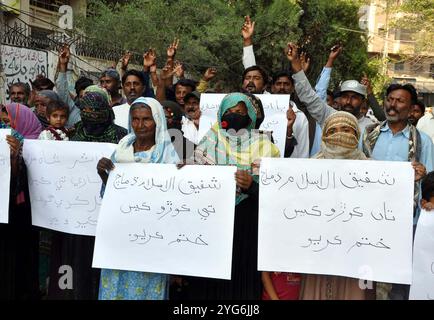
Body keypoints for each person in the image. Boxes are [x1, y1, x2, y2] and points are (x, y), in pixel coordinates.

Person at [186, 93, 280, 300]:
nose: (234, 115)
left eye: (240, 112)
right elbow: (193, 184)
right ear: (221, 114)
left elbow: (276, 194)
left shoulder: (265, 147)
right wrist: (186, 171)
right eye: (229, 111)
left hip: (245, 226)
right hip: (211, 224)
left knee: (240, 282)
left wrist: (252, 187)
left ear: (250, 117)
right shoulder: (209, 140)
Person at [95, 97, 179, 300]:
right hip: (121, 235)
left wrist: (182, 175)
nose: (140, 125)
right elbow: (110, 197)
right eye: (135, 119)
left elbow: (176, 201)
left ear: (158, 121)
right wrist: (104, 175)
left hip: (153, 237)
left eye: (147, 119)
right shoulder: (121, 149)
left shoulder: (169, 155)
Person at [47, 90, 127, 300]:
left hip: (107, 215)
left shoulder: (121, 136)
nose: (91, 114)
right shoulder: (74, 133)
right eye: (87, 110)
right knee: (76, 261)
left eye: (96, 110)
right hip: (76, 215)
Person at [300, 111, 372, 300]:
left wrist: (409, 178)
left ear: (356, 134)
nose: (339, 134)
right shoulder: (309, 168)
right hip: (318, 248)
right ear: (324, 135)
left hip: (355, 249)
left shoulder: (372, 169)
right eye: (333, 130)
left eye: (346, 130)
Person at [0, 104, 41, 300]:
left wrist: (15, 158)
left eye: (8, 121)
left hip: (16, 215)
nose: (4, 124)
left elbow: (21, 182)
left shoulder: (17, 139)